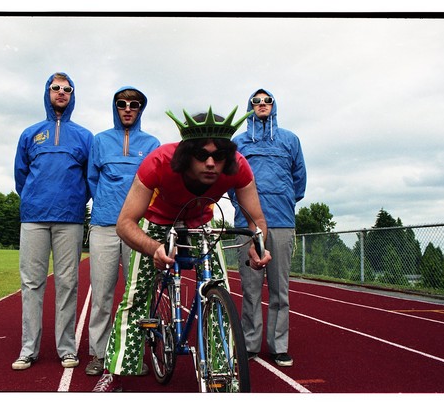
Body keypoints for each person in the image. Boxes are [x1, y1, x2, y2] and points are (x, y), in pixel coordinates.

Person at [92, 106, 272, 392]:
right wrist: (154, 248)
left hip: (200, 222)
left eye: (219, 156)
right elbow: (125, 223)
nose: (212, 163)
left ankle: (222, 373)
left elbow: (256, 218)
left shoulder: (237, 165)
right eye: (202, 155)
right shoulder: (158, 161)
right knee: (137, 294)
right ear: (186, 154)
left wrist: (257, 244)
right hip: (159, 221)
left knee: (219, 286)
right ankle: (115, 373)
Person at [12, 72, 93, 371]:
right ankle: (28, 349)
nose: (61, 92)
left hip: (69, 219)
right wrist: (34, 198)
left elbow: (89, 178)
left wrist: (73, 200)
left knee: (67, 284)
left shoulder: (85, 136)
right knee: (31, 284)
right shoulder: (30, 133)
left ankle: (66, 349)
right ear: (46, 92)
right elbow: (21, 176)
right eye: (55, 88)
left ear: (72, 95)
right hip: (33, 217)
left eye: (67, 89)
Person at [85, 87, 160, 376]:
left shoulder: (151, 142)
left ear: (141, 109)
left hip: (138, 228)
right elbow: (93, 179)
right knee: (102, 295)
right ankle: (99, 354)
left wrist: (137, 216)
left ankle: (132, 355)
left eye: (134, 104)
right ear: (115, 107)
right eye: (122, 104)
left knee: (137, 295)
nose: (128, 109)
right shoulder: (100, 141)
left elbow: (156, 183)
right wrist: (108, 205)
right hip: (104, 226)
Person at [228, 89, 306, 367]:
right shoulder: (239, 142)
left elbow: (299, 182)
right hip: (247, 225)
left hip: (282, 221)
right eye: (256, 101)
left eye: (267, 101)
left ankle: (279, 345)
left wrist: (281, 199)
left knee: (279, 289)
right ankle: (250, 344)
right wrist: (246, 210)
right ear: (250, 106)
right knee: (250, 289)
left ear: (274, 105)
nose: (262, 105)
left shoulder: (290, 140)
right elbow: (230, 182)